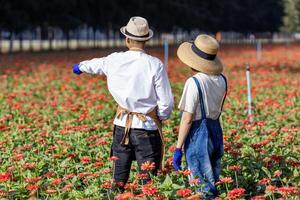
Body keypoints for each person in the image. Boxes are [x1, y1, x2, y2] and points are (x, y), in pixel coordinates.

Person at [72, 16, 174, 192]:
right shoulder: (155, 64)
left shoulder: (114, 60)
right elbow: (166, 102)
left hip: (121, 125)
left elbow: (95, 64)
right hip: (147, 128)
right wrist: (160, 117)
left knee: (118, 178)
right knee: (147, 181)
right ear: (146, 40)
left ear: (127, 39)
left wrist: (79, 67)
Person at [172, 34, 227, 198]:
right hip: (216, 131)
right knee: (214, 181)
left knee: (201, 186)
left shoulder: (194, 82)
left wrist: (178, 148)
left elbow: (187, 118)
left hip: (199, 136)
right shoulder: (222, 79)